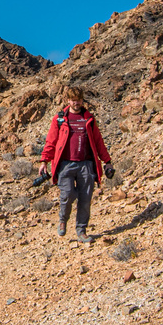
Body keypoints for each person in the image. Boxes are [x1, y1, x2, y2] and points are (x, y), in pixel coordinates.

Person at [38, 86, 113, 241]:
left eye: (78, 100)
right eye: (73, 100)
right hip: (65, 164)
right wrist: (44, 161)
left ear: (82, 100)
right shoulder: (60, 119)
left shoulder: (89, 119)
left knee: (85, 199)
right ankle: (63, 220)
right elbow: (51, 141)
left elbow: (98, 142)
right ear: (68, 101)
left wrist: (107, 161)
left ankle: (81, 231)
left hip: (86, 164)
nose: (76, 103)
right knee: (68, 194)